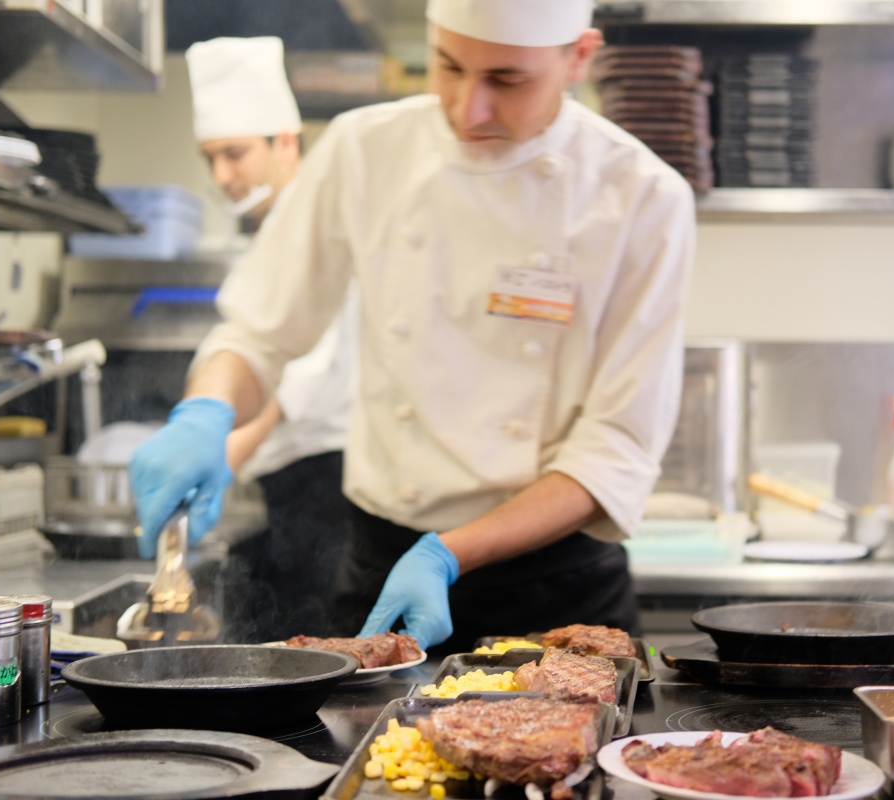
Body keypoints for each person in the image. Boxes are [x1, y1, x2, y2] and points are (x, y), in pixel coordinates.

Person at [130, 0, 695, 654]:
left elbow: (615, 451)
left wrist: (448, 555)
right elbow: (259, 333)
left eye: (507, 80)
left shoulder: (642, 197)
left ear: (579, 57)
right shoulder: (363, 149)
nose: (466, 108)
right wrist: (205, 412)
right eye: (448, 66)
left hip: (556, 594)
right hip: (380, 573)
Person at [179, 36, 360, 640]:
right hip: (294, 489)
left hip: (331, 492)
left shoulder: (324, 224)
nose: (222, 175)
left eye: (234, 153)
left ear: (286, 141)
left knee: (312, 660)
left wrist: (221, 455)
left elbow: (303, 375)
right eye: (210, 158)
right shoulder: (271, 230)